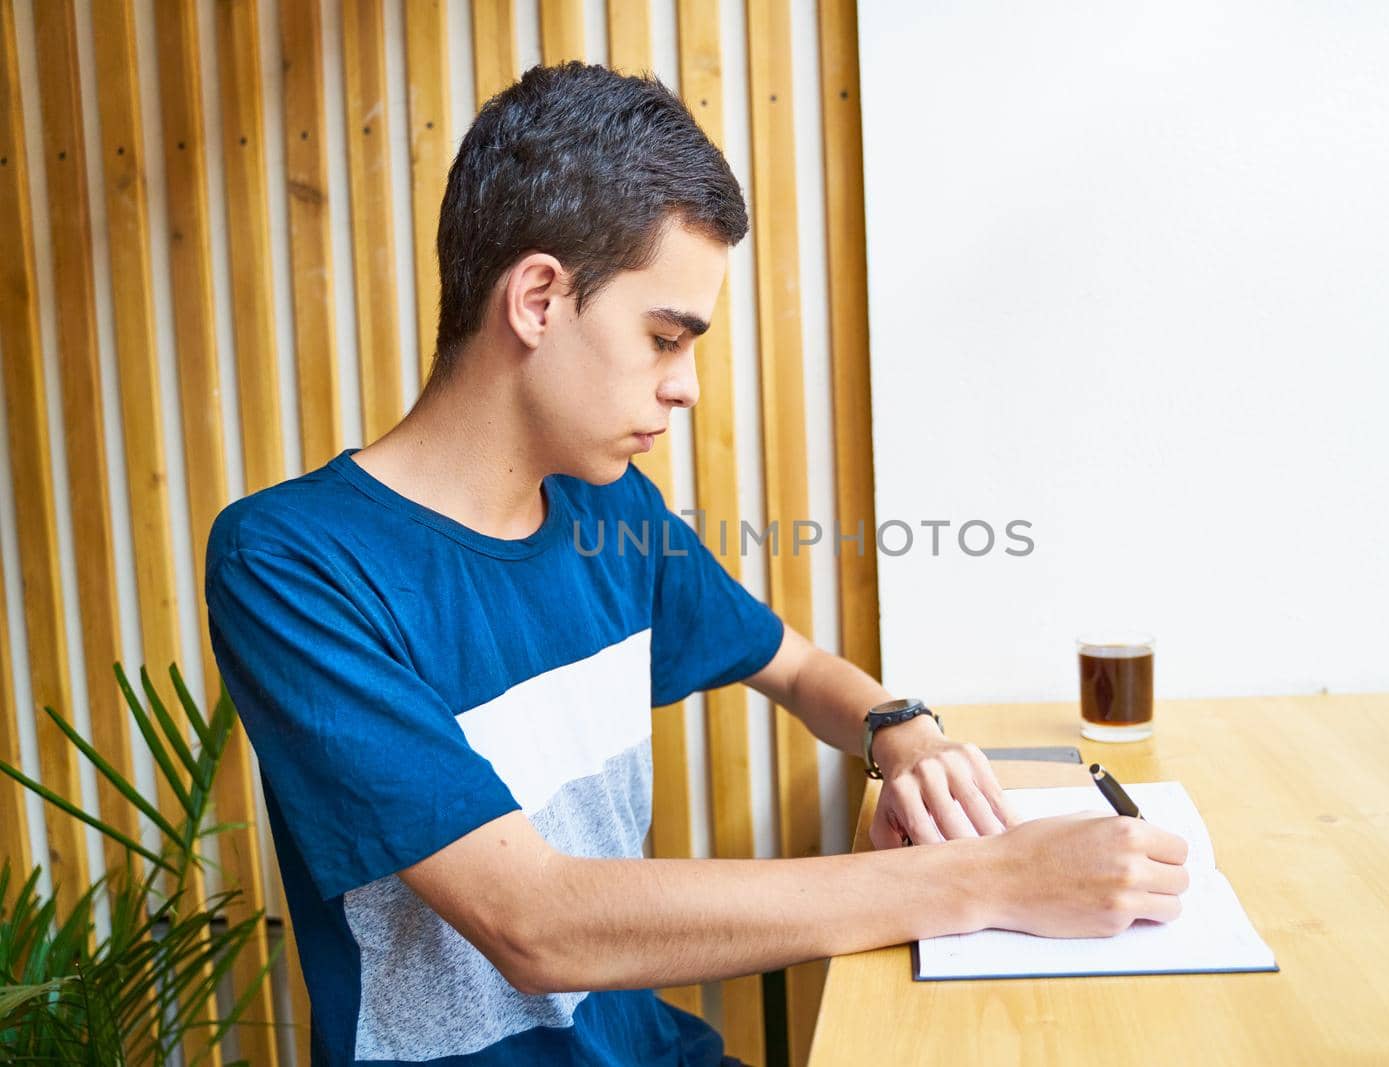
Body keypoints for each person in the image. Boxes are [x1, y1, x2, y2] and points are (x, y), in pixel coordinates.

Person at [204, 61, 1189, 1067]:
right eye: (665, 337)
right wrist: (992, 877)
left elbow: (798, 669)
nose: (687, 389)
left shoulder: (605, 509)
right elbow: (533, 921)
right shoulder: (292, 561)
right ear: (538, 298)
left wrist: (904, 732)